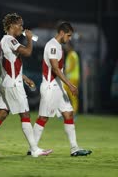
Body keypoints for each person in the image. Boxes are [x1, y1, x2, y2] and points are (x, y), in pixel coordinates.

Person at [0, 13, 52, 157]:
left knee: (1, 114)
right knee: (24, 114)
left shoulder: (4, 41)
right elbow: (28, 52)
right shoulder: (10, 40)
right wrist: (30, 39)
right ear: (12, 25)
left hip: (8, 81)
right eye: (20, 24)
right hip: (12, 84)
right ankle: (34, 149)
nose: (22, 28)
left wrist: (24, 77)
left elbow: (10, 63)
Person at [32, 22, 92, 157]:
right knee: (43, 117)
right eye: (69, 35)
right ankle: (33, 147)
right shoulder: (52, 45)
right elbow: (55, 68)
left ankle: (74, 148)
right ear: (62, 33)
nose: (69, 39)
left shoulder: (58, 46)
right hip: (50, 86)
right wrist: (70, 85)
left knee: (69, 114)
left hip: (58, 87)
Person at [64, 41, 80, 114]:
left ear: (70, 46)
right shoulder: (71, 54)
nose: (66, 47)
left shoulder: (72, 55)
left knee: (72, 95)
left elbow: (72, 66)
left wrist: (65, 72)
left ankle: (74, 112)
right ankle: (67, 110)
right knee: (65, 93)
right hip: (70, 78)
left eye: (67, 46)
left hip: (72, 78)